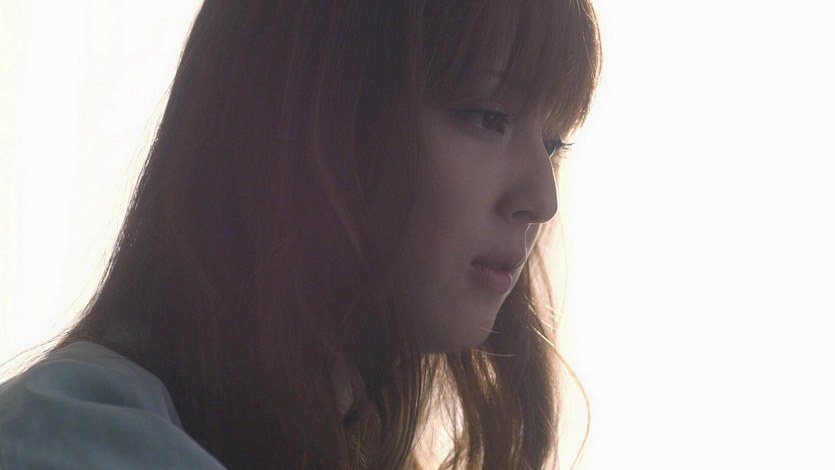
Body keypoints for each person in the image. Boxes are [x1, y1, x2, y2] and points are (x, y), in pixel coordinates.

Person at [0, 0, 601, 468]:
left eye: (553, 144)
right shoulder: (69, 442)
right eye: (488, 117)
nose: (541, 201)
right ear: (311, 111)